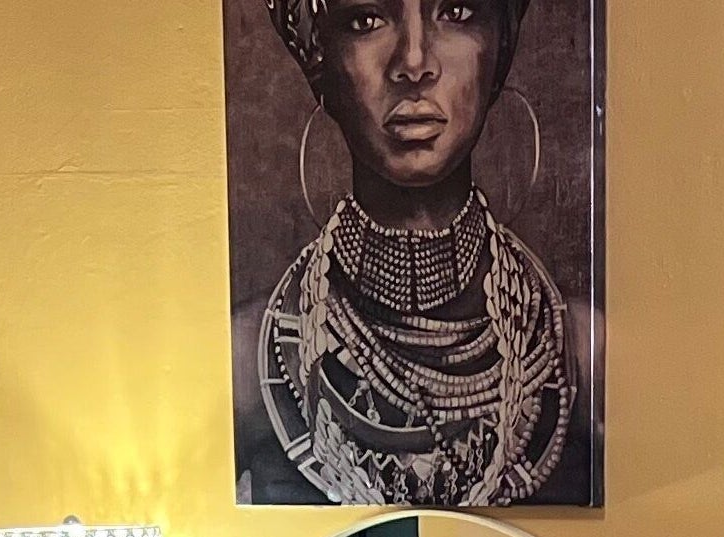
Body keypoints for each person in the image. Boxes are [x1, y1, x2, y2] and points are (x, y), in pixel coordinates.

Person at [239, 0, 579, 507]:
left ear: (500, 47)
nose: (415, 64)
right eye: (366, 20)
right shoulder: (249, 361)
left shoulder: (575, 349)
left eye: (458, 11)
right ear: (319, 57)